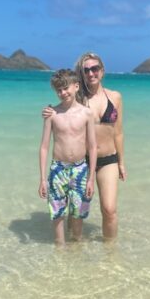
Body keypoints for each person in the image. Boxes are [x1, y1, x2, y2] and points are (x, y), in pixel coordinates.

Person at [43, 52, 126, 242]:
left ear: (102, 71)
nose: (91, 73)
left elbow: (119, 132)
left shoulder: (115, 97)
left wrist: (121, 162)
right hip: (82, 162)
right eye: (86, 70)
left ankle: (111, 254)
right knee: (75, 212)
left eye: (94, 69)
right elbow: (60, 108)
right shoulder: (77, 97)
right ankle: (74, 253)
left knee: (109, 209)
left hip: (108, 159)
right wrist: (48, 110)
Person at [39, 69, 97, 246]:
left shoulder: (87, 113)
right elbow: (43, 147)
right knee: (57, 212)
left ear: (76, 86)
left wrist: (91, 178)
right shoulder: (52, 115)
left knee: (78, 212)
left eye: (65, 88)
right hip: (58, 169)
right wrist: (43, 179)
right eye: (58, 90)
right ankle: (60, 248)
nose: (62, 93)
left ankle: (76, 248)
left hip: (80, 169)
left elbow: (93, 147)